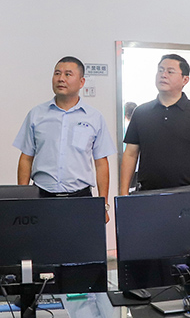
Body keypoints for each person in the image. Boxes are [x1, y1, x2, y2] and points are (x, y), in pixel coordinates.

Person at [13, 56, 115, 221]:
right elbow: (26, 158)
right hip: (41, 196)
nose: (61, 78)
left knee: (80, 238)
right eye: (57, 73)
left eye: (68, 74)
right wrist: (21, 199)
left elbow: (101, 163)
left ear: (81, 82)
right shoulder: (36, 114)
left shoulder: (94, 117)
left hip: (80, 198)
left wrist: (104, 204)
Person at [120, 54, 190, 195]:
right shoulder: (141, 112)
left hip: (188, 192)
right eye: (160, 70)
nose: (163, 75)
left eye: (170, 72)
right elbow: (130, 154)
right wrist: (123, 193)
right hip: (147, 193)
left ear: (185, 80)